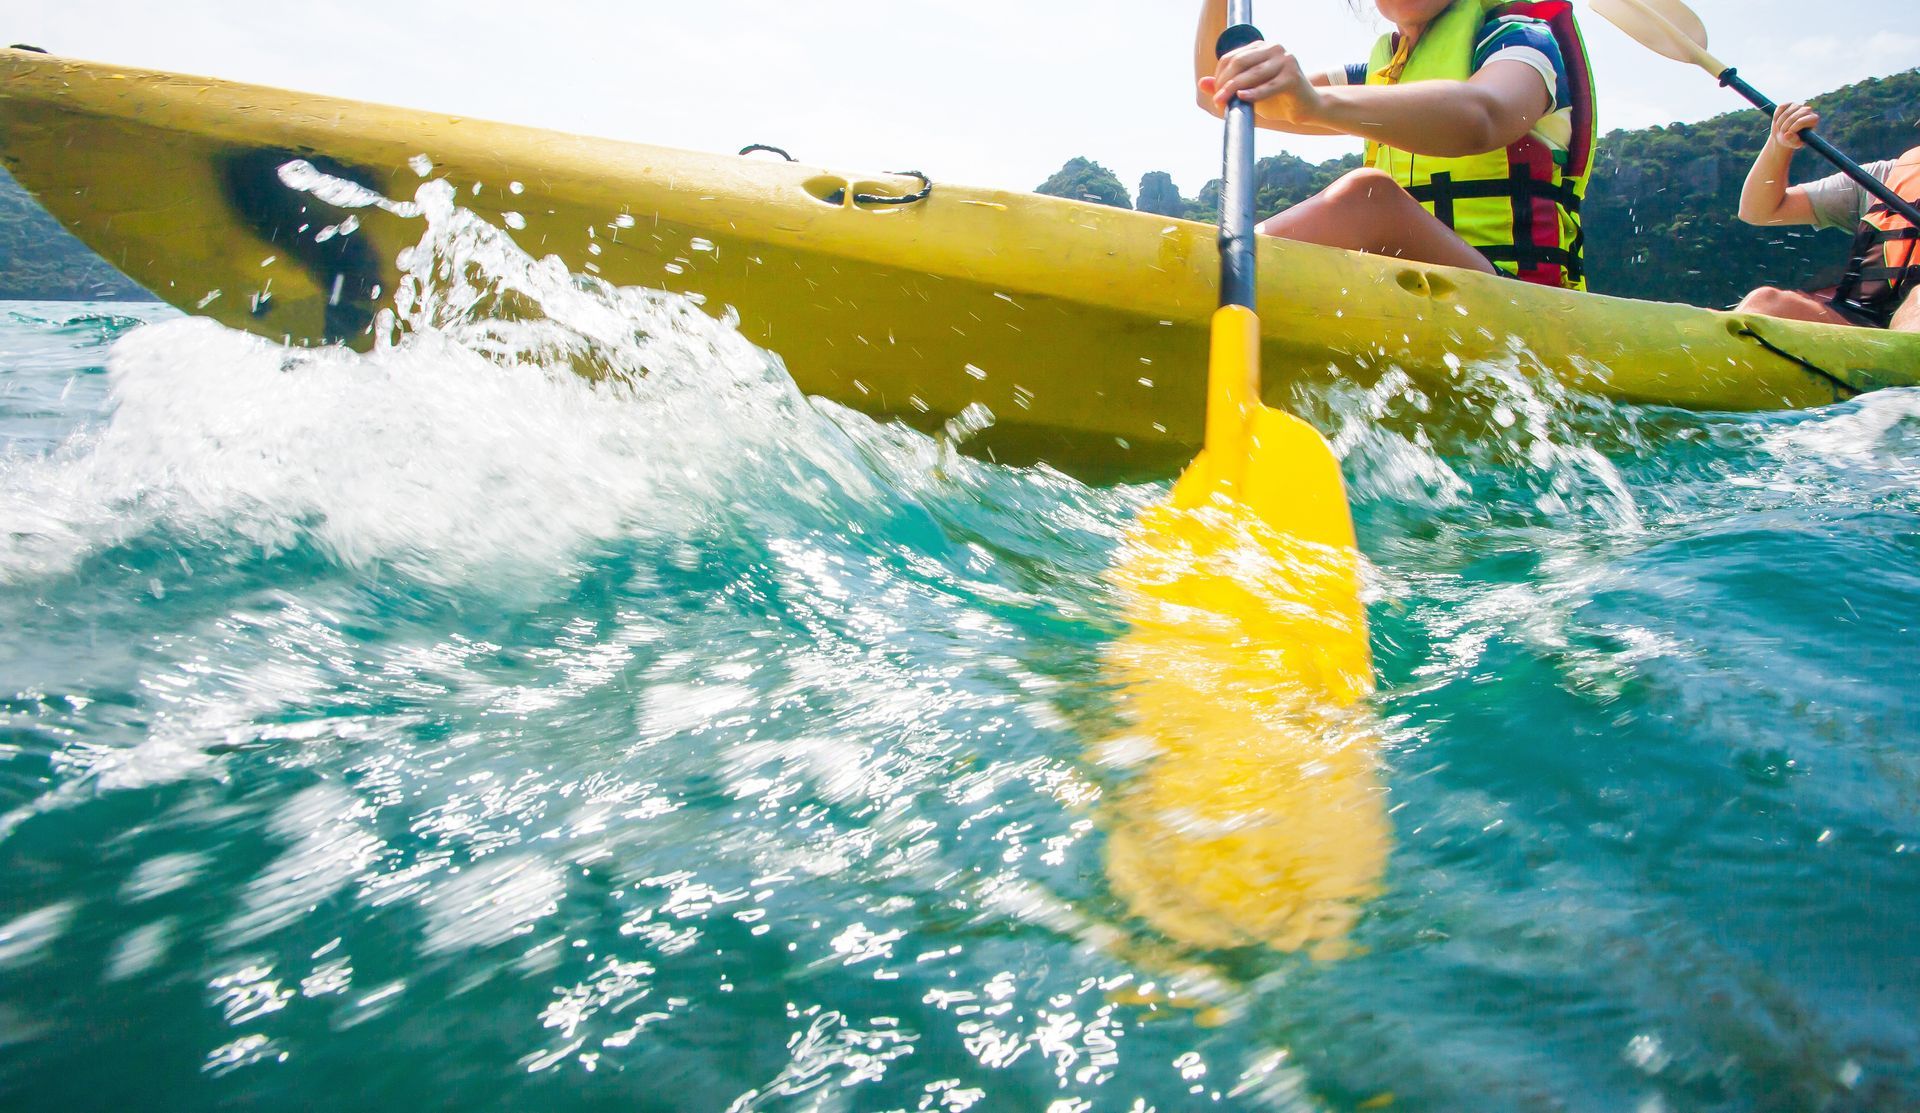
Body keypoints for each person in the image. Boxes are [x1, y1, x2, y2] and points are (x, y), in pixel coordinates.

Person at [1194, 0, 1598, 290]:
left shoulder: (1521, 39)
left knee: (1369, 198)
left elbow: (1485, 116)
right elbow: (1217, 94)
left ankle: (1203, 278)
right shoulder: (1378, 72)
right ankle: (1208, 275)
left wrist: (1314, 103)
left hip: (1523, 303)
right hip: (1415, 292)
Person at [1733, 104, 1920, 333]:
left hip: (1909, 339)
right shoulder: (1880, 178)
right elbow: (1759, 210)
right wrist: (1779, 144)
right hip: (1860, 330)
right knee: (1766, 303)